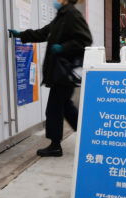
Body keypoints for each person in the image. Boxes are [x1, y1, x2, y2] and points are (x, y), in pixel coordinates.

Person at [8, 0, 92, 157]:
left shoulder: (72, 14)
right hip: (60, 73)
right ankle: (87, 137)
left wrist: (63, 48)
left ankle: (55, 146)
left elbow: (85, 40)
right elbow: (43, 33)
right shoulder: (62, 16)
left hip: (64, 72)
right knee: (66, 106)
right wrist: (21, 34)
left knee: (54, 109)